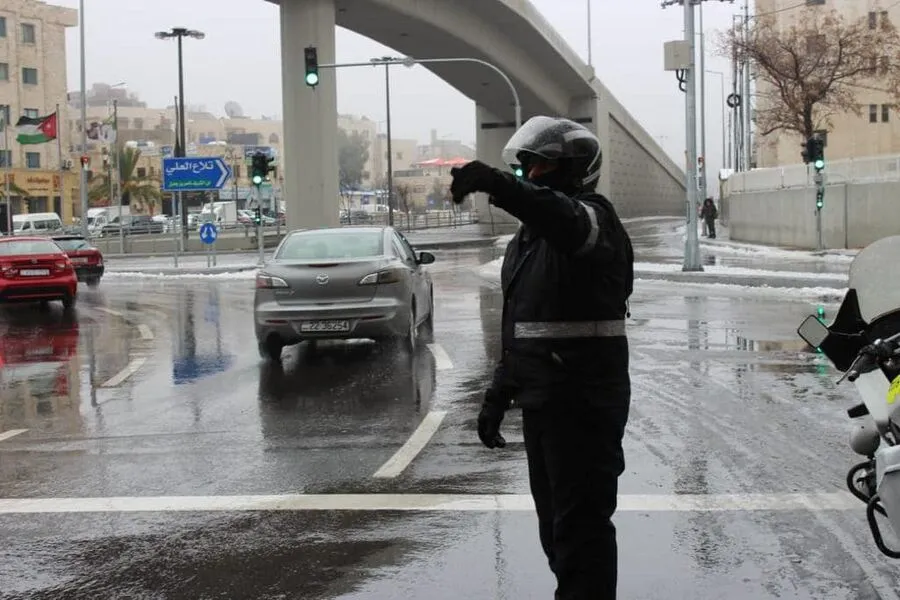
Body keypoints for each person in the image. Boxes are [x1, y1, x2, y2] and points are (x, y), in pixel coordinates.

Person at [449, 116, 634, 600]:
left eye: (544, 166)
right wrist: (499, 393)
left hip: (585, 401)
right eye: (527, 166)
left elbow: (565, 219)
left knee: (581, 532)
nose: (532, 176)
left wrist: (500, 185)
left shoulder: (595, 220)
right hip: (545, 401)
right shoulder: (529, 242)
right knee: (555, 528)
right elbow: (524, 329)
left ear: (574, 170)